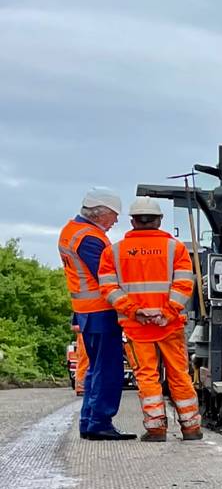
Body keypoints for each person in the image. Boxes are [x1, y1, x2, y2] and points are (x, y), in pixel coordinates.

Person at [97, 197, 202, 442]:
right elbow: (185, 284)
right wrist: (167, 311)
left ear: (133, 221)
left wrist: (135, 310)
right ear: (159, 220)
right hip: (171, 324)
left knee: (146, 376)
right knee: (179, 374)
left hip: (136, 327)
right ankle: (191, 428)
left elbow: (108, 288)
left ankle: (156, 429)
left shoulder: (113, 251)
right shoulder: (175, 248)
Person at [59, 188, 135, 440]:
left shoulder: (72, 230)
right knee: (108, 368)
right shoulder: (90, 238)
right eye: (113, 216)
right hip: (101, 310)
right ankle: (100, 422)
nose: (115, 221)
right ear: (99, 213)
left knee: (96, 368)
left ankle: (89, 422)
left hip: (86, 311)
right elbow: (105, 275)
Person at [71, 318, 89, 396]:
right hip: (84, 335)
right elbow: (74, 326)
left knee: (84, 361)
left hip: (85, 334)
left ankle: (81, 386)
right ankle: (81, 386)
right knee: (84, 361)